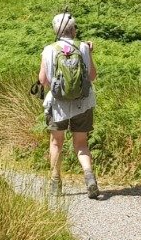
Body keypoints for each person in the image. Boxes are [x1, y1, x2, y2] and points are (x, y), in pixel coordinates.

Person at [39, 12, 99, 198]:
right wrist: (89, 53)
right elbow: (92, 77)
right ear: (73, 30)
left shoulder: (49, 49)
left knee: (56, 142)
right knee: (81, 143)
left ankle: (55, 183)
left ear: (56, 31)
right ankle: (89, 178)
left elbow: (43, 81)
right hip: (83, 102)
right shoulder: (83, 47)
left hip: (58, 105)